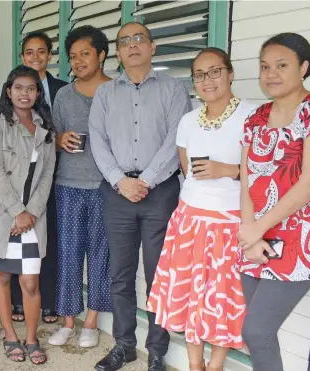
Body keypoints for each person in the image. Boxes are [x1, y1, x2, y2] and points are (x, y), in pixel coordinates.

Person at [237, 33, 310, 371]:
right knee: (257, 334)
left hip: (303, 236)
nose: (271, 73)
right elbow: (248, 179)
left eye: (282, 65)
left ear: (304, 67)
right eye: (265, 66)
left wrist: (256, 231)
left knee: (257, 331)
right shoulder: (255, 118)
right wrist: (250, 232)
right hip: (257, 236)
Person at [89, 22, 192, 371]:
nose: (132, 46)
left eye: (139, 39)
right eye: (124, 42)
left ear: (152, 47)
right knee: (120, 273)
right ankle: (124, 345)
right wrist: (121, 181)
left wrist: (145, 180)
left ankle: (157, 352)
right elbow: (98, 142)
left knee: (157, 275)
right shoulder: (105, 93)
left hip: (159, 192)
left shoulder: (173, 88)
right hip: (118, 193)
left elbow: (177, 138)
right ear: (118, 52)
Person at [146, 48, 256, 371]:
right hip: (189, 219)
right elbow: (186, 168)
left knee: (223, 296)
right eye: (199, 75)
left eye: (215, 71)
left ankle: (217, 363)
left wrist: (229, 170)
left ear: (230, 73)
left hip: (229, 222)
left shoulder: (252, 117)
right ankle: (195, 364)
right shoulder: (188, 120)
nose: (207, 80)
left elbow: (262, 174)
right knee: (192, 294)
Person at [0, 65, 56, 365]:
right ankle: (10, 336)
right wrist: (17, 212)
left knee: (30, 283)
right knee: (2, 277)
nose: (25, 93)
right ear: (8, 91)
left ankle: (31, 338)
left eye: (31, 88)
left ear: (38, 93)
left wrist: (30, 213)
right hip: (2, 214)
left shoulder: (46, 129)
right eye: (19, 88)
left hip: (32, 217)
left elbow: (46, 178)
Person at [48, 25, 113, 349]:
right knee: (68, 255)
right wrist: (59, 140)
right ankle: (67, 320)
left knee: (101, 255)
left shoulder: (117, 92)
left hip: (106, 187)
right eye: (73, 56)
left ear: (101, 55)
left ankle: (92, 321)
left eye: (85, 54)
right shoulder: (63, 95)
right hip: (69, 185)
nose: (78, 61)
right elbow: (52, 138)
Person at [11, 30, 66, 325]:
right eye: (30, 52)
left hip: (52, 177)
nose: (35, 57)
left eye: (41, 51)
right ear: (22, 57)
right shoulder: (13, 88)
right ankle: (17, 300)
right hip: (18, 181)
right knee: (17, 239)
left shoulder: (63, 89)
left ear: (49, 55)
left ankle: (47, 301)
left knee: (48, 240)